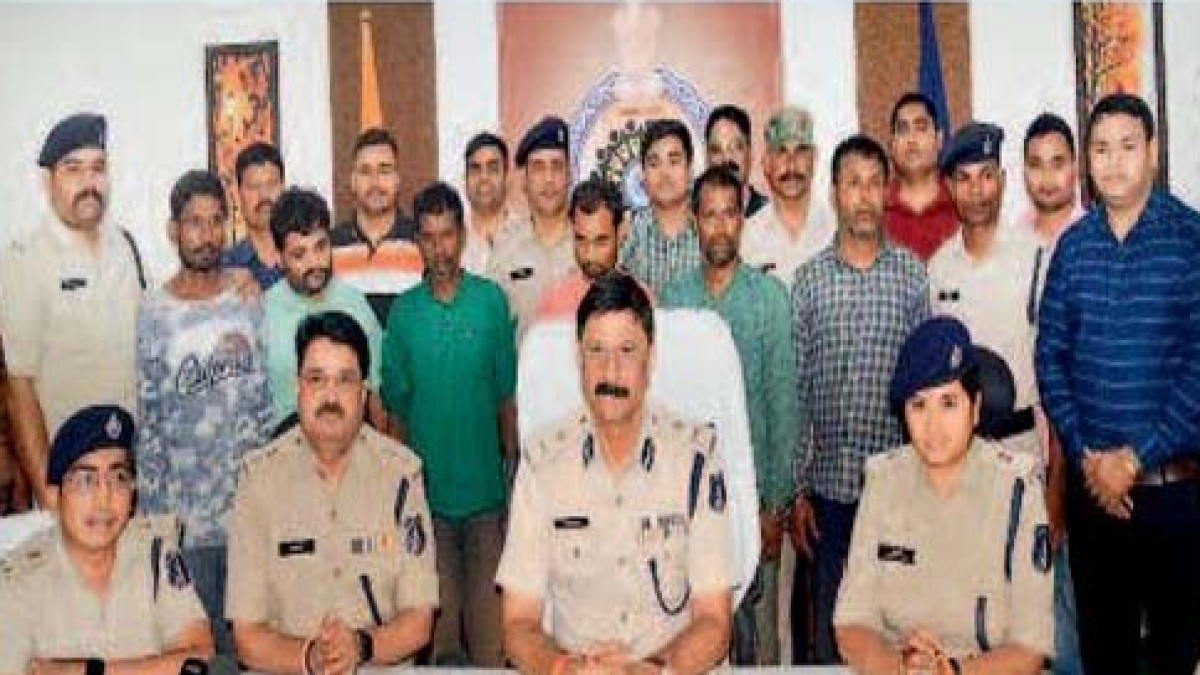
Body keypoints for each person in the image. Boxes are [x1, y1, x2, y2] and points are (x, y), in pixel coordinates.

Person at [1036, 92, 1200, 675]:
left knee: (1175, 653)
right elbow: (1049, 358)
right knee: (1104, 654)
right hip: (1094, 496)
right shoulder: (1074, 248)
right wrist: (1087, 456)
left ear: (1151, 152)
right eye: (1101, 149)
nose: (1113, 162)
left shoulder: (1189, 239)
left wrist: (1135, 458)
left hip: (1174, 495)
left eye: (1127, 146)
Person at [497, 272, 734, 675]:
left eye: (627, 351)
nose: (611, 371)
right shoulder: (542, 463)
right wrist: (564, 668)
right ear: (579, 360)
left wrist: (650, 670)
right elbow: (518, 623)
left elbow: (714, 621)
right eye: (596, 351)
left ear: (650, 359)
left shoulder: (695, 460)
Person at [835, 316, 1053, 675]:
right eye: (919, 405)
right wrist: (896, 666)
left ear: (976, 408)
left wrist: (953, 671)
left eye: (949, 403)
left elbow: (1030, 648)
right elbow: (852, 623)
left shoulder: (1017, 488)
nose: (933, 425)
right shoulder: (884, 481)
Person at [227, 311, 438, 673]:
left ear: (364, 393)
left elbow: (419, 620)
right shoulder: (258, 482)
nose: (330, 396)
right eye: (316, 379)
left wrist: (361, 647)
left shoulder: (401, 477)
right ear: (297, 387)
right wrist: (309, 657)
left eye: (344, 380)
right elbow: (247, 635)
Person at [790, 134, 929, 664]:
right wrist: (798, 491)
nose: (865, 196)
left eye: (875, 183)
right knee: (831, 637)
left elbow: (923, 392)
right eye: (853, 183)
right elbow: (798, 390)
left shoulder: (912, 276)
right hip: (826, 495)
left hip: (895, 490)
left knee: (892, 640)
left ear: (887, 191)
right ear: (835, 193)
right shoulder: (808, 282)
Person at [661, 165, 799, 665]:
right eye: (709, 216)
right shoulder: (674, 301)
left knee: (760, 641)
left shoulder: (769, 299)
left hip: (753, 502)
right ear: (694, 221)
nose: (720, 228)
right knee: (695, 637)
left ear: (742, 220)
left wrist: (775, 507)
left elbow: (783, 404)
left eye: (729, 215)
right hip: (688, 504)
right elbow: (665, 406)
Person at [135, 169, 273, 657]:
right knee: (198, 654)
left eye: (216, 221)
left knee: (254, 650)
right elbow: (149, 425)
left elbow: (266, 405)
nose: (207, 234)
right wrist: (156, 527)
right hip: (186, 527)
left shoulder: (248, 299)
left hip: (250, 518)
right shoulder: (153, 311)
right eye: (194, 222)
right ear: (174, 230)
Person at [382, 182, 517, 666]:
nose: (439, 248)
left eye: (447, 235)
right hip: (427, 507)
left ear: (462, 236)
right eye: (428, 237)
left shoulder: (491, 302)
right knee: (439, 647)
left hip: (486, 502)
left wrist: (511, 482)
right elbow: (395, 414)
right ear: (416, 241)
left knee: (491, 643)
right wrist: (401, 500)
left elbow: (506, 400)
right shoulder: (403, 315)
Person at [0, 112, 146, 507]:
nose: (88, 183)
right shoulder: (26, 259)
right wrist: (49, 494)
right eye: (73, 169)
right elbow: (19, 390)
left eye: (98, 168)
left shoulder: (126, 248)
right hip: (70, 479)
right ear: (48, 181)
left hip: (128, 471)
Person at [0, 405, 213, 671]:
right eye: (86, 480)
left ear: (133, 492)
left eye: (118, 477)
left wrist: (88, 670)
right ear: (55, 495)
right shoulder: (18, 580)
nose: (104, 499)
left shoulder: (155, 555)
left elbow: (199, 657)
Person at [929, 122, 1042, 460]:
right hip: (959, 453)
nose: (976, 190)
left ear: (1003, 181)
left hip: (1022, 448)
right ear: (950, 187)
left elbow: (1056, 369)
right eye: (964, 179)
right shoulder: (937, 269)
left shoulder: (1036, 257)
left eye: (986, 176)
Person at [1021, 111, 1083, 675]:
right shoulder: (1011, 244)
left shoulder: (1094, 242)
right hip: (1019, 459)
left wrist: (1061, 482)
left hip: (1080, 460)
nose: (1047, 177)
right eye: (1036, 164)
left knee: (1072, 621)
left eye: (1057, 163)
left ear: (1076, 168)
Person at [262, 187, 387, 430]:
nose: (314, 262)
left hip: (350, 444)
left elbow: (376, 394)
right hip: (285, 445)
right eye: (299, 254)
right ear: (279, 257)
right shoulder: (262, 313)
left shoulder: (355, 304)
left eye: (320, 247)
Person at [488, 116, 576, 342]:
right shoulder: (506, 245)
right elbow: (493, 327)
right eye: (538, 168)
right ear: (524, 181)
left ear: (570, 176)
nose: (549, 179)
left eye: (557, 167)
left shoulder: (590, 241)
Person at [331, 127, 422, 324]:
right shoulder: (330, 247)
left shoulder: (421, 242)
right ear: (352, 181)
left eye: (384, 170)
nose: (375, 182)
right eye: (365, 171)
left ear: (397, 179)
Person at [741, 105, 835, 287]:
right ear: (766, 163)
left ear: (814, 159)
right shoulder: (746, 238)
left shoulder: (837, 230)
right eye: (781, 151)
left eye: (801, 151)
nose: (791, 164)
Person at [621, 118, 702, 295]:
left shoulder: (709, 228)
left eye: (673, 162)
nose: (664, 173)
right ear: (643, 174)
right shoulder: (629, 233)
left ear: (690, 170)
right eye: (654, 164)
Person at [536, 176, 635, 320]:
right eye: (581, 240)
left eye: (600, 242)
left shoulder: (641, 299)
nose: (590, 255)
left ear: (620, 234)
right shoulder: (554, 304)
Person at [884, 93, 958, 262]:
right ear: (892, 145)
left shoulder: (961, 203)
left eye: (921, 128)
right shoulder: (876, 209)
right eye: (903, 130)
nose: (912, 139)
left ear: (939, 140)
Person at [222, 141, 285, 289]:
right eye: (253, 186)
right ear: (237, 194)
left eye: (271, 184)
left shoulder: (307, 257)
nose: (264, 195)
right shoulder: (225, 267)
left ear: (283, 188)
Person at [462, 132, 516, 275]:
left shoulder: (526, 235)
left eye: (493, 169)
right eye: (476, 169)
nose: (484, 177)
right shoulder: (450, 239)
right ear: (465, 180)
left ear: (507, 177)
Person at [705, 104, 768, 217]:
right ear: (707, 158)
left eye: (736, 147)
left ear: (750, 153)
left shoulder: (770, 215)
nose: (726, 158)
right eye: (716, 150)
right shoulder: (692, 217)